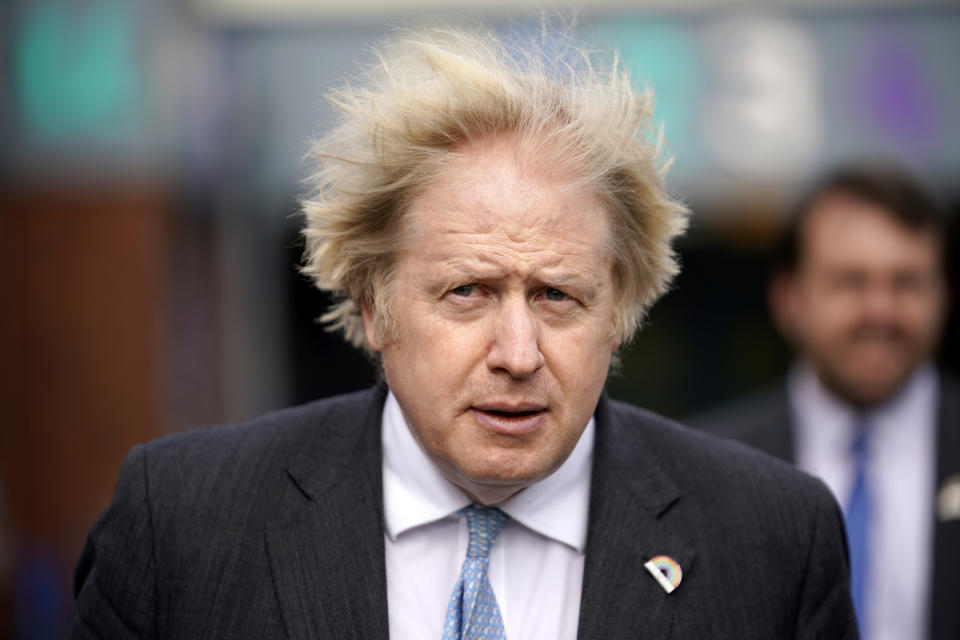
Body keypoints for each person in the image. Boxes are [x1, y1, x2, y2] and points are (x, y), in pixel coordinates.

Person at [70, 23, 857, 639]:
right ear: (374, 306)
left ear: (619, 315)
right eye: (467, 292)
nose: (517, 355)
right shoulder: (182, 524)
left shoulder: (772, 539)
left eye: (556, 296)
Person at [689, 166, 959, 640]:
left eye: (907, 282)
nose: (880, 311)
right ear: (788, 297)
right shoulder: (699, 467)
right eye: (851, 281)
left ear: (944, 295)